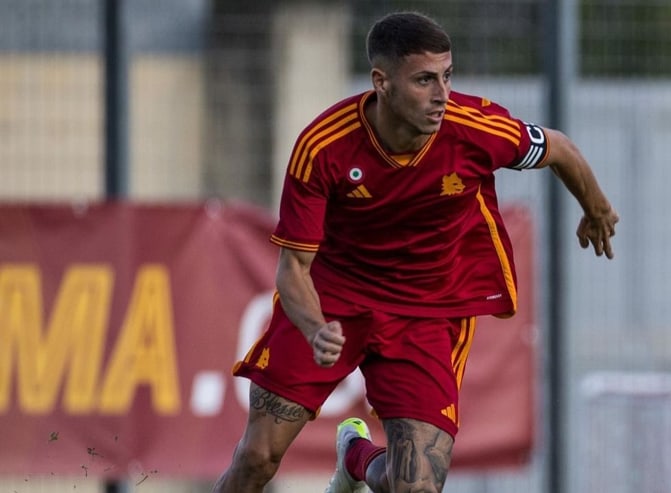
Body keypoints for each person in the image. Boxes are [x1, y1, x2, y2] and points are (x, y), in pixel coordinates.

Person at [213, 10, 618, 493]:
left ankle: (356, 457)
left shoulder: (476, 128)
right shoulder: (323, 146)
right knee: (256, 459)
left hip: (427, 310)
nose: (442, 94)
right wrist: (314, 327)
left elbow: (560, 148)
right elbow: (292, 269)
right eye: (425, 80)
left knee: (415, 488)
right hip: (333, 302)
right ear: (381, 82)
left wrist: (596, 209)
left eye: (447, 76)